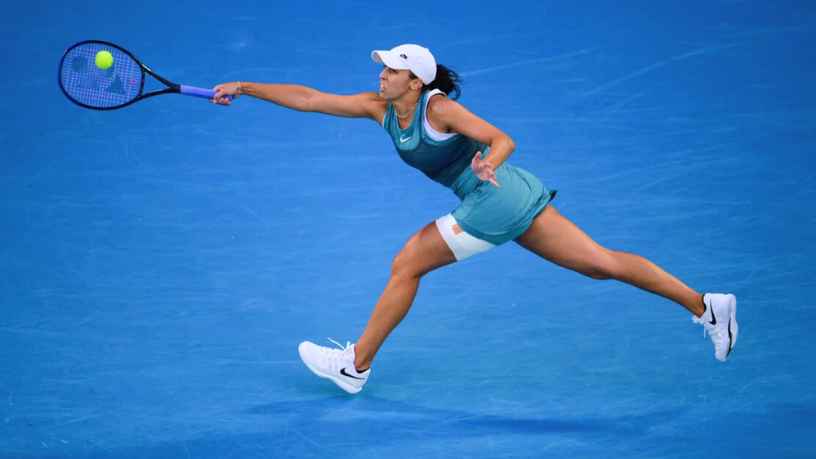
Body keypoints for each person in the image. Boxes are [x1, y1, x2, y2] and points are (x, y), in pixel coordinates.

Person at [213, 44, 739, 394]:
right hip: (511, 195)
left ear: (415, 82)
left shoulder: (438, 109)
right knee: (600, 263)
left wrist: (490, 162)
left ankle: (356, 365)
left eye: (392, 69)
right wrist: (245, 85)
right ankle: (706, 306)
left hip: (495, 196)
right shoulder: (379, 107)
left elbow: (501, 138)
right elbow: (311, 99)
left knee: (408, 264)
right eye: (384, 67)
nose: (382, 74)